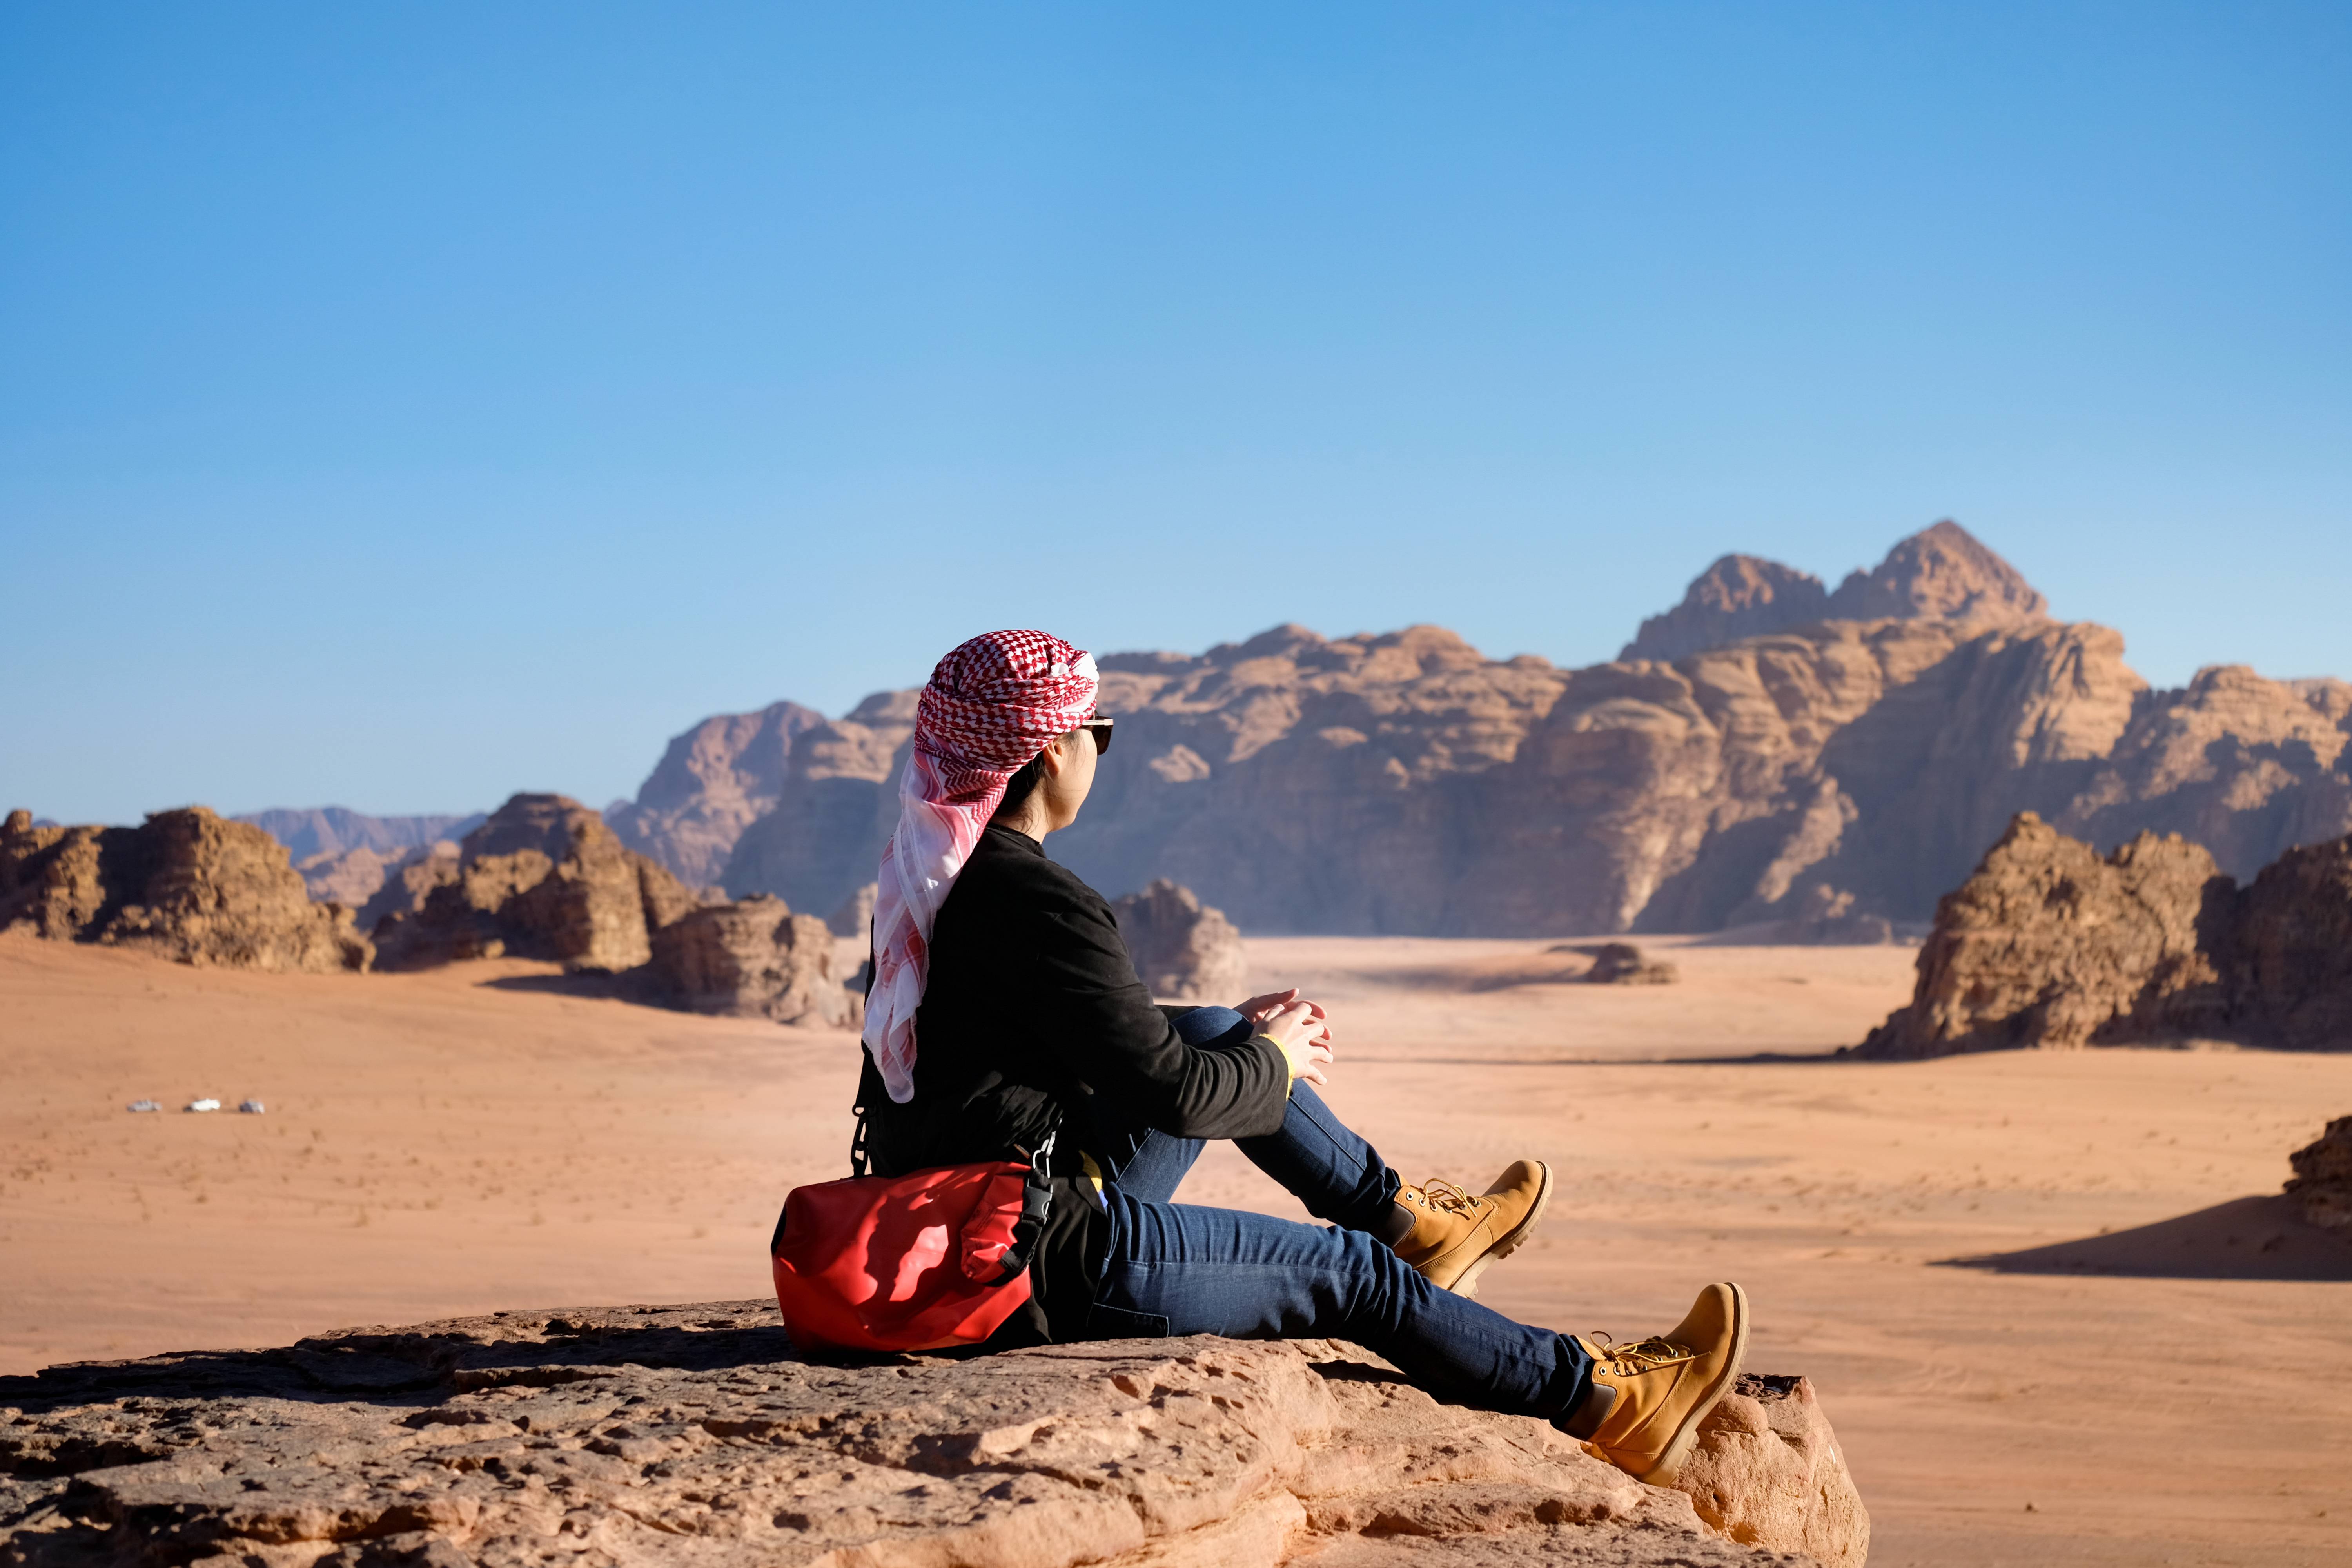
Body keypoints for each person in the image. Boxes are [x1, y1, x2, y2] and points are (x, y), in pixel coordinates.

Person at [854, 628, 1748, 1484]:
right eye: (1100, 729)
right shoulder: (1038, 897)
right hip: (1040, 1260)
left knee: (1211, 1027)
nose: (1101, 746)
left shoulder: (938, 890)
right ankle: (1601, 1396)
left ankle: (1412, 1223)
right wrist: (1275, 1059)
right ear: (1051, 751)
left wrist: (1235, 1037)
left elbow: (1051, 1033)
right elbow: (1180, 1098)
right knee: (1352, 1275)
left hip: (975, 1221)